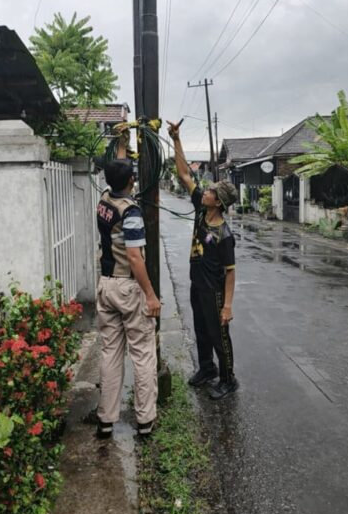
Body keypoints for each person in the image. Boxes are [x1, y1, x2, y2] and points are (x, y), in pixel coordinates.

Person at [168, 120, 241, 400]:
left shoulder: (224, 235)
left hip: (214, 291)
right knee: (201, 330)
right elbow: (184, 174)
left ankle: (228, 379)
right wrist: (176, 139)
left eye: (211, 191)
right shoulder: (201, 209)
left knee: (219, 335)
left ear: (218, 202)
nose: (206, 191)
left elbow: (230, 272)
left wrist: (227, 306)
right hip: (197, 284)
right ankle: (207, 369)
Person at [95, 134, 161, 439]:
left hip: (106, 285)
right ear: (132, 181)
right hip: (128, 287)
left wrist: (121, 147)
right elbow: (135, 258)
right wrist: (151, 295)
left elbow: (117, 172)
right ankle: (145, 420)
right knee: (142, 353)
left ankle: (106, 419)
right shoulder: (131, 213)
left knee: (110, 352)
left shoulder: (104, 200)